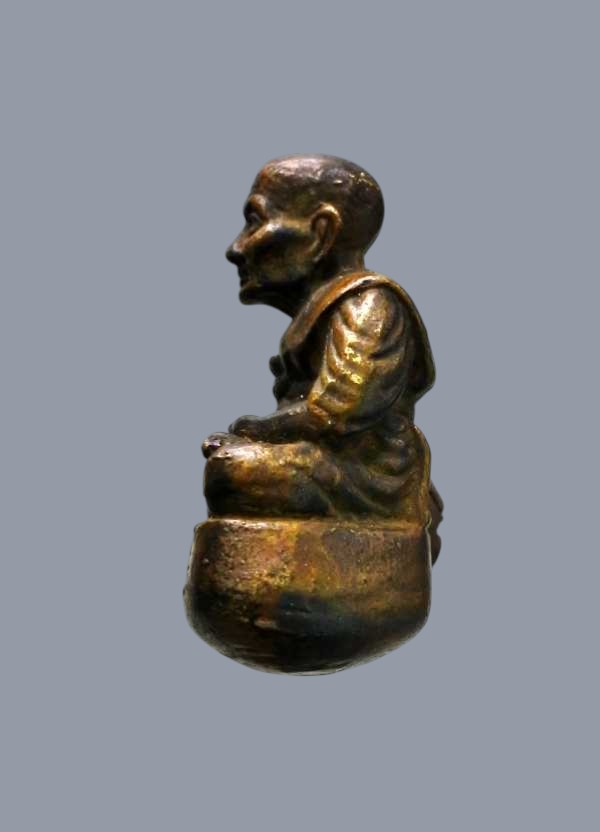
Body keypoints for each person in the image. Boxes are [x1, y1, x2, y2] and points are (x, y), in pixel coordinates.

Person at [202, 154, 443, 558]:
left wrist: (258, 429)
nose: (237, 248)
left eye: (255, 222)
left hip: (366, 473)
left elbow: (336, 412)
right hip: (320, 459)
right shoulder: (327, 311)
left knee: (234, 472)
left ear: (320, 233)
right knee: (234, 467)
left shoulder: (370, 306)